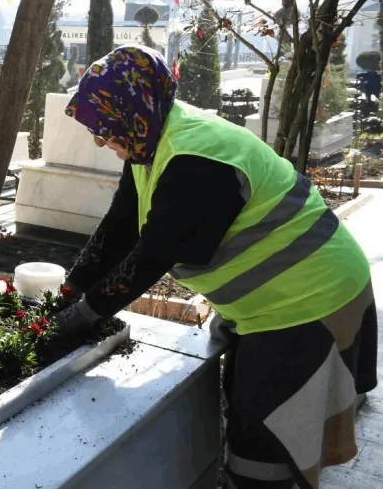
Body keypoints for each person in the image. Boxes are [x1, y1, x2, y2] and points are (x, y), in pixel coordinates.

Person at [53, 45, 377, 489]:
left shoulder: (195, 159)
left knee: (265, 437)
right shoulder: (151, 137)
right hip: (279, 299)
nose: (102, 142)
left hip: (307, 301)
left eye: (105, 130)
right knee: (247, 409)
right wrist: (71, 289)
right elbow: (120, 226)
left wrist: (83, 315)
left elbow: (153, 254)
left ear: (132, 112)